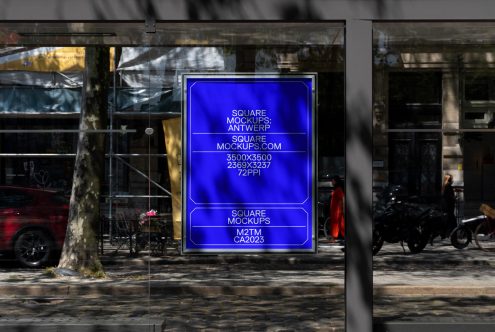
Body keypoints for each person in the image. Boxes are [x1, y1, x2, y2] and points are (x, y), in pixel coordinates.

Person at [329, 175, 345, 243]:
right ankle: (337, 236)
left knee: (336, 223)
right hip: (334, 209)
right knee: (338, 223)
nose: (332, 182)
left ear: (336, 181)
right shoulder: (337, 188)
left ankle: (334, 237)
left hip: (337, 210)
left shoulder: (338, 189)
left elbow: (341, 199)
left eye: (332, 180)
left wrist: (341, 209)